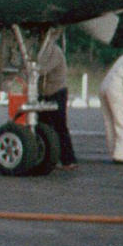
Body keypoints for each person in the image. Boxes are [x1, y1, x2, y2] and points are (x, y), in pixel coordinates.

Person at [36, 34, 78, 171]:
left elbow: (43, 69)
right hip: (44, 93)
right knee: (43, 126)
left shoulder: (55, 51)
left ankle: (68, 159)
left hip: (57, 92)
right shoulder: (42, 51)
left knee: (59, 126)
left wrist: (29, 68)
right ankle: (48, 157)